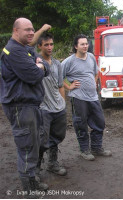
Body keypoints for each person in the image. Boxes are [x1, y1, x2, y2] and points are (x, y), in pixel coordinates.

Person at [0, 18, 49, 196]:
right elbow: (34, 75)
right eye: (27, 30)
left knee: (34, 143)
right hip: (20, 107)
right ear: (15, 31)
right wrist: (39, 66)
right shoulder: (14, 51)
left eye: (32, 29)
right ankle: (28, 189)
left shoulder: (24, 48)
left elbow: (45, 69)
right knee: (27, 146)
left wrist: (40, 64)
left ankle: (33, 181)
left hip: (29, 105)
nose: (31, 33)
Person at [62, 34, 111, 161]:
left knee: (100, 122)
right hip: (78, 97)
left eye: (86, 44)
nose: (85, 46)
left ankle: (96, 147)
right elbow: (58, 76)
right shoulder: (69, 61)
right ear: (75, 46)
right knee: (81, 123)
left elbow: (96, 72)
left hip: (93, 97)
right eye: (82, 44)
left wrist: (94, 83)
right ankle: (84, 150)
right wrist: (69, 86)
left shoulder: (90, 57)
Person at [36, 32, 67, 176]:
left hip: (58, 106)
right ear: (39, 46)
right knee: (42, 140)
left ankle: (52, 163)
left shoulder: (57, 64)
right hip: (43, 107)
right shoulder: (36, 63)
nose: (50, 47)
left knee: (57, 136)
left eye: (51, 44)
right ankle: (35, 169)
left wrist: (63, 103)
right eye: (46, 44)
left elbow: (61, 85)